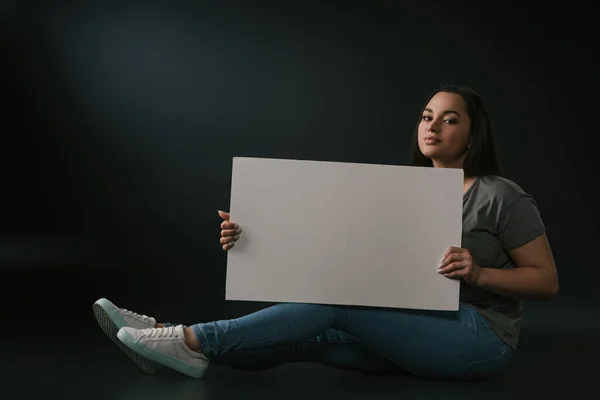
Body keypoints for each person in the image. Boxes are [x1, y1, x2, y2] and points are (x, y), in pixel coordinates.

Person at [93, 84, 558, 381]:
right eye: (425, 116)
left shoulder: (500, 194)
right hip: (414, 324)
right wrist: (253, 236)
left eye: (449, 118)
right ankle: (169, 342)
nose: (432, 125)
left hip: (479, 338)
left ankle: (187, 339)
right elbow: (342, 255)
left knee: (335, 305)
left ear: (474, 135)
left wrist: (477, 274)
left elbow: (545, 281)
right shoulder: (405, 193)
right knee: (294, 336)